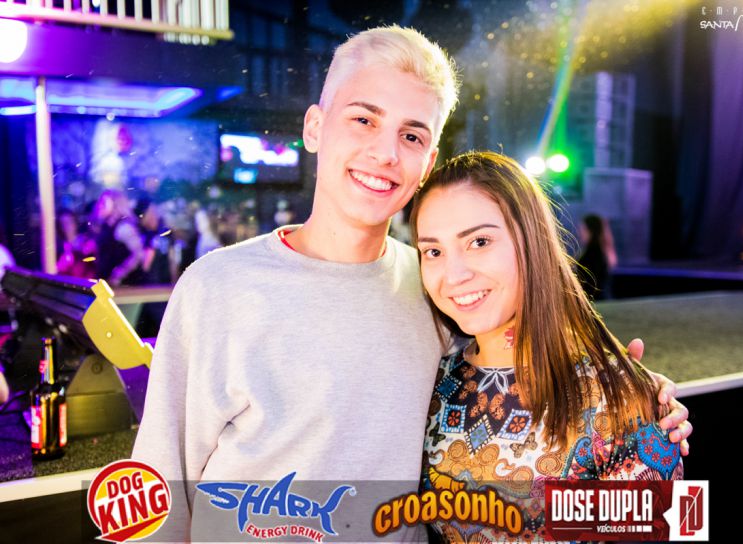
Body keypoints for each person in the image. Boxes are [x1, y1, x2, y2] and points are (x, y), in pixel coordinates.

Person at [132, 26, 690, 541]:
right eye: (364, 120)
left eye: (412, 134)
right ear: (314, 127)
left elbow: (665, 514)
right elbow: (156, 494)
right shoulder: (216, 287)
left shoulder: (433, 289)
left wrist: (636, 401)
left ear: (427, 162)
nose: (385, 152)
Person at [412, 152, 683, 542]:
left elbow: (672, 525)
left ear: (532, 240)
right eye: (433, 251)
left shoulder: (616, 392)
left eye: (479, 241)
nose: (453, 275)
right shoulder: (435, 382)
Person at [93, 190, 145, 286]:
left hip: (126, 286)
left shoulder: (123, 227)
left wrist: (119, 274)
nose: (99, 206)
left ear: (115, 203)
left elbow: (138, 254)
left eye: (103, 203)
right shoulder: (106, 227)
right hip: (109, 284)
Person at [576, 213, 617, 300]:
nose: (580, 233)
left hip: (594, 302)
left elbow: (589, 286)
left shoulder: (591, 255)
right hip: (602, 301)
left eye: (583, 229)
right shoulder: (603, 251)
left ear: (591, 231)